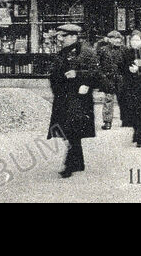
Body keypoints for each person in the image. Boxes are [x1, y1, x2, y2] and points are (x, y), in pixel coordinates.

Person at [47, 24, 108, 178]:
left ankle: (69, 165)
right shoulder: (62, 52)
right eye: (60, 36)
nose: (60, 39)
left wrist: (79, 75)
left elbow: (97, 74)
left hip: (78, 98)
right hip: (63, 97)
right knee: (69, 130)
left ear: (74, 36)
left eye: (64, 36)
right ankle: (79, 162)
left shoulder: (86, 52)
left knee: (71, 129)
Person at [120, 30, 141, 147]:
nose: (135, 42)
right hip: (129, 87)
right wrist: (128, 70)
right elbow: (120, 68)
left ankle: (139, 134)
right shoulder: (125, 53)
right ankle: (137, 132)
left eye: (137, 40)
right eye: (133, 40)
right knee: (133, 111)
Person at [95, 31, 125, 130]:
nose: (117, 40)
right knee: (108, 99)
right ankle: (107, 122)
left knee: (124, 100)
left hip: (121, 78)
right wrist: (102, 76)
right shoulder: (103, 50)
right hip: (108, 78)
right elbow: (97, 64)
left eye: (119, 38)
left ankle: (126, 119)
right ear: (109, 39)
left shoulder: (124, 50)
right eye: (114, 38)